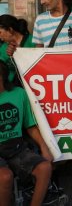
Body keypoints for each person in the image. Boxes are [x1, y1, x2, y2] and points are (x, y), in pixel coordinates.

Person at [0, 60, 53, 206]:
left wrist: (44, 148)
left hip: (16, 147)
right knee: (5, 177)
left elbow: (30, 126)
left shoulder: (19, 94)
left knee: (44, 168)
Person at [0, 15, 35, 85]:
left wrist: (19, 53)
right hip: (13, 86)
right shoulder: (3, 48)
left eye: (0, 32)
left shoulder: (32, 41)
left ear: (10, 30)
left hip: (34, 83)